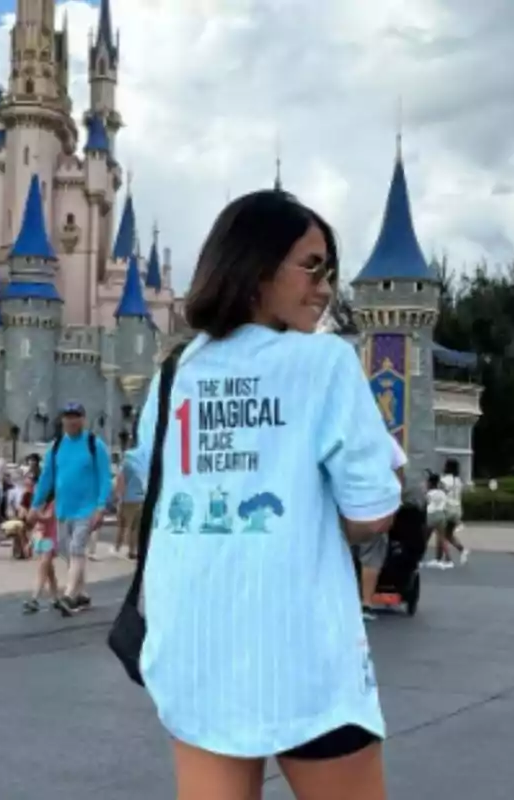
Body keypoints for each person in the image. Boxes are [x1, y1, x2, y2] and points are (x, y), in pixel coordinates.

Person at [123, 190, 401, 799]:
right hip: (297, 650)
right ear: (255, 266)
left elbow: (152, 483)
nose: (325, 287)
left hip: (195, 647)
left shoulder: (175, 373)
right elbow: (373, 513)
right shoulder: (324, 363)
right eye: (311, 266)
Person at [26, 403, 111, 612]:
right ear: (62, 420)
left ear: (83, 419)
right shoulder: (55, 447)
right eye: (68, 416)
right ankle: (82, 593)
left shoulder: (94, 444)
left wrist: (101, 506)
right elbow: (46, 479)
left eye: (76, 416)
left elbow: (104, 478)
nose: (71, 421)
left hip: (87, 509)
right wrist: (35, 505)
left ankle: (69, 595)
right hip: (63, 510)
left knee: (76, 549)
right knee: (67, 551)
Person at [357, 434, 406, 617]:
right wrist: (396, 498)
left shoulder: (345, 436)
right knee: (371, 553)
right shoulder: (385, 440)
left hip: (345, 503)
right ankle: (367, 603)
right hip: (375, 505)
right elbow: (399, 468)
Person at [112, 421, 146, 560]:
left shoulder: (127, 461)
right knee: (136, 528)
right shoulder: (143, 459)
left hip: (128, 498)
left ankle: (118, 547)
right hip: (141, 497)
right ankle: (133, 550)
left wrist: (118, 497)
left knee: (123, 525)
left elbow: (121, 480)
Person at [435, 458, 469, 566]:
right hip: (457, 510)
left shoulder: (444, 480)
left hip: (447, 509)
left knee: (441, 534)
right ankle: (462, 549)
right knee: (448, 534)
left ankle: (444, 559)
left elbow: (439, 493)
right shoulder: (459, 481)